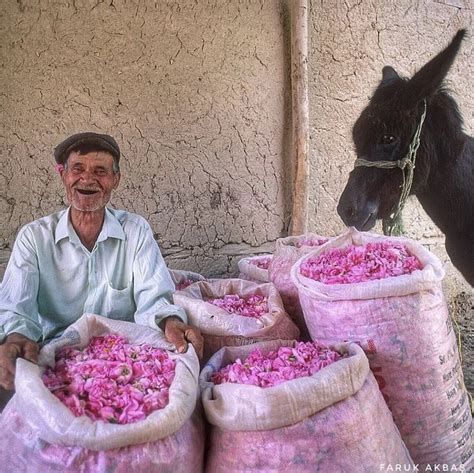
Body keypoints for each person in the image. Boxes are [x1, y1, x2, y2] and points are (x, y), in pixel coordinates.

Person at [0, 132, 203, 398]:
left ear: (115, 180)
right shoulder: (34, 237)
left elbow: (153, 296)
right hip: (53, 353)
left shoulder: (135, 230)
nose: (87, 179)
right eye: (78, 169)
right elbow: (17, 307)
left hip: (124, 358)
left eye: (100, 171)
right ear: (63, 176)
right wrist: (16, 338)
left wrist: (171, 321)